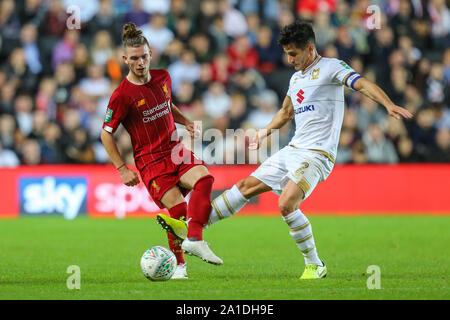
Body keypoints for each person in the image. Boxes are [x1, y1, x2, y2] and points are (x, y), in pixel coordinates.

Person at [159, 21, 413, 279]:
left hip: (318, 154)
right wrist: (263, 132)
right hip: (293, 149)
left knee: (287, 203)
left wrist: (388, 104)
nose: (289, 59)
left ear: (310, 49)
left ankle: (315, 264)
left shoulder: (331, 67)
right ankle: (193, 230)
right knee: (246, 186)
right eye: (287, 53)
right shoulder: (295, 79)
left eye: (294, 53)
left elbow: (362, 84)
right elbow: (285, 112)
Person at [100, 22, 223, 280]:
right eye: (134, 58)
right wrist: (122, 169)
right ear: (125, 59)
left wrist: (186, 121)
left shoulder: (163, 77)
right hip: (150, 161)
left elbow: (167, 104)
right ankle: (179, 266)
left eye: (144, 56)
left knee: (205, 179)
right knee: (178, 211)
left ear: (150, 54)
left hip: (174, 149)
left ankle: (195, 238)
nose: (140, 62)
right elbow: (106, 134)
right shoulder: (121, 95)